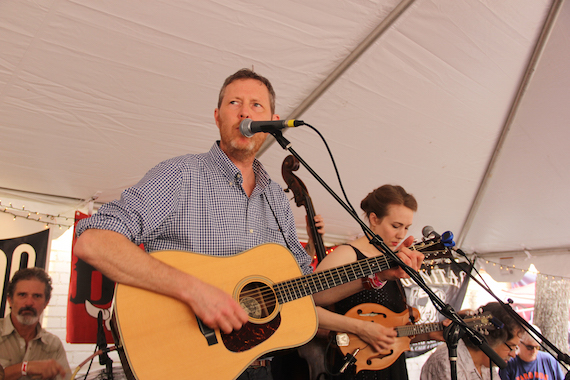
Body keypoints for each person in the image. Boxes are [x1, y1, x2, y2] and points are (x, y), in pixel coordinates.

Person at [75, 68, 416, 380]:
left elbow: (310, 292)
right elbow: (93, 240)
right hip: (186, 365)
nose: (245, 113)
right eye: (234, 103)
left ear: (273, 122)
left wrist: (377, 273)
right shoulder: (181, 176)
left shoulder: (278, 200)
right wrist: (194, 291)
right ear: (217, 116)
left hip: (260, 367)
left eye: (256, 105)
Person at [312, 184, 427, 380]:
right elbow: (306, 306)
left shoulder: (393, 260)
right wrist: (361, 328)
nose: (401, 235)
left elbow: (390, 326)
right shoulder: (347, 254)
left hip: (389, 365)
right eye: (396, 226)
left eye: (406, 228)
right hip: (354, 366)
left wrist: (431, 334)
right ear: (374, 219)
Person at [420, 302, 523, 380]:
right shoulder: (447, 362)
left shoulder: (486, 367)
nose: (513, 355)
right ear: (493, 338)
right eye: (511, 347)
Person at [0, 267, 70, 380]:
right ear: (10, 300)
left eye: (37, 296)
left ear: (46, 302)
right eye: (22, 295)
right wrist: (25, 368)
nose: (29, 303)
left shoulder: (53, 345)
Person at [498, 325, 564, 380]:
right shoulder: (509, 364)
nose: (534, 351)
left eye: (537, 347)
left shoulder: (549, 360)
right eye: (530, 347)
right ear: (519, 343)